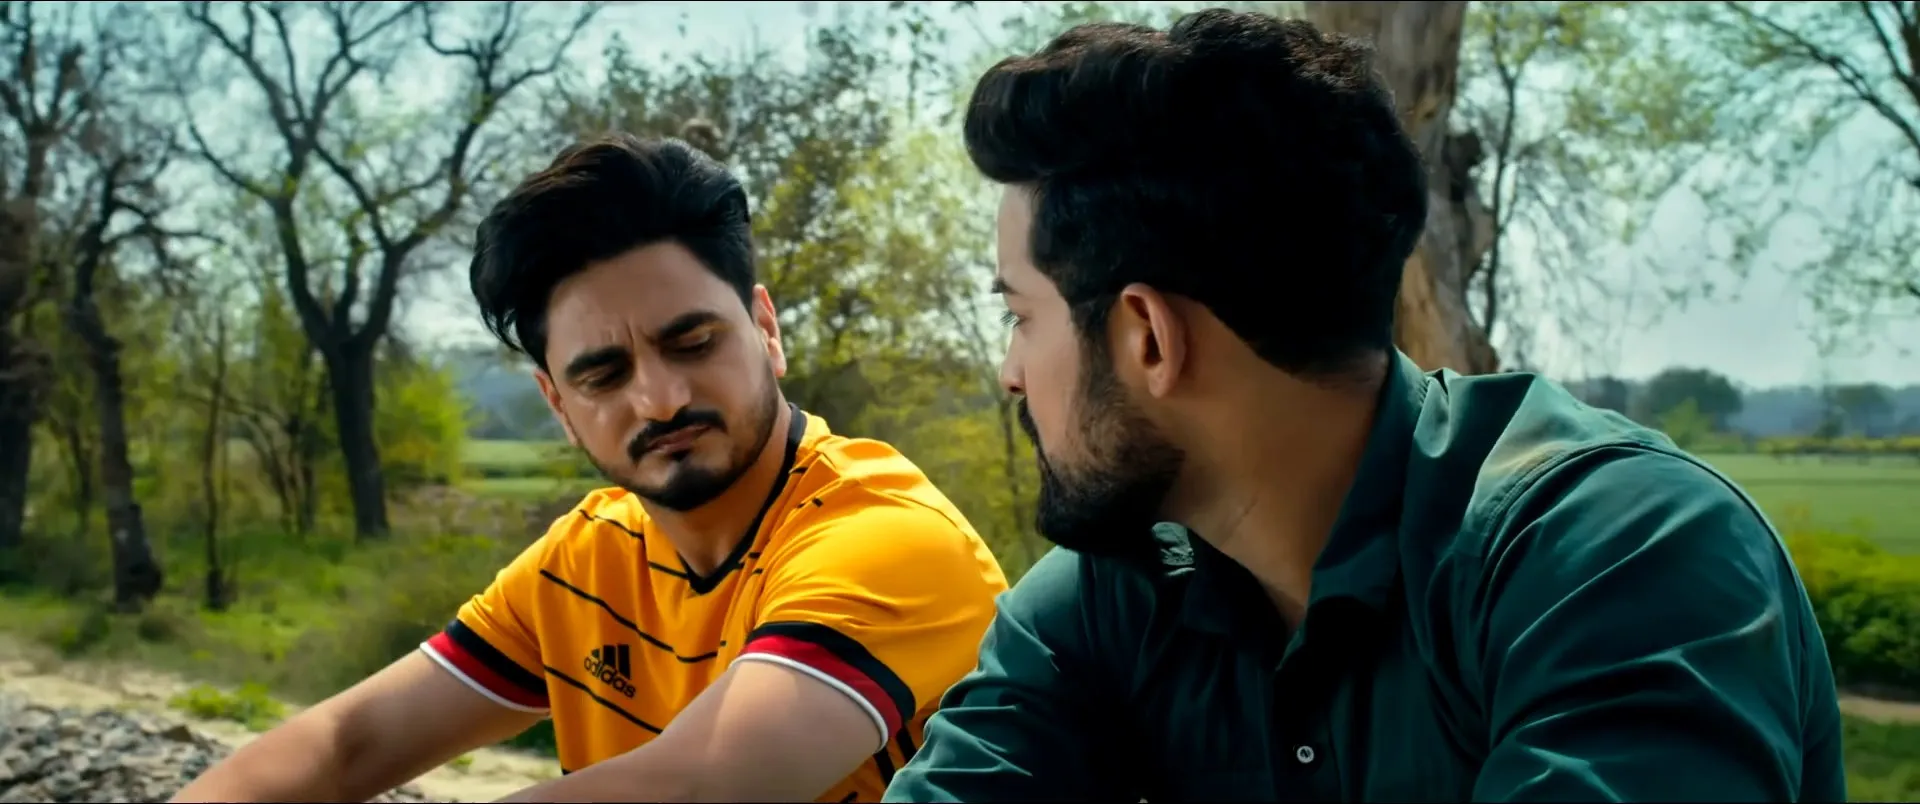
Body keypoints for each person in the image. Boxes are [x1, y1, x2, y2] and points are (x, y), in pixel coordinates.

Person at [885, 9, 1845, 803]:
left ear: (1149, 338)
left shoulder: (1617, 556)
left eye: (1021, 317)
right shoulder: (1107, 598)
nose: (1011, 374)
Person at [171, 133, 1009, 804]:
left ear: (766, 329)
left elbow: (696, 787)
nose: (660, 399)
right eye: (603, 375)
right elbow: (348, 745)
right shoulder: (589, 559)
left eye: (694, 342)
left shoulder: (887, 537)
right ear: (559, 404)